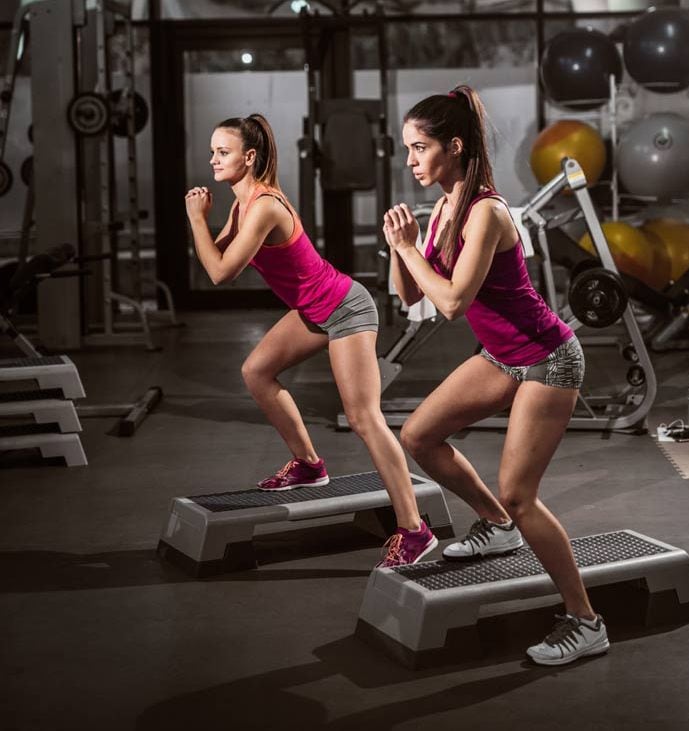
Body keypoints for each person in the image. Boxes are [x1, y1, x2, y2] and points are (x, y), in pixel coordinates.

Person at [382, 86, 609, 665]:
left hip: (548, 358)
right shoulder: (439, 211)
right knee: (418, 436)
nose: (408, 159)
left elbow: (453, 302)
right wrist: (397, 246)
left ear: (453, 147)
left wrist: (411, 251)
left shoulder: (487, 212)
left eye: (418, 147)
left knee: (522, 492)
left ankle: (585, 623)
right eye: (405, 148)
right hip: (502, 357)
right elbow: (409, 295)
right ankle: (495, 524)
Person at [185, 113, 436, 568]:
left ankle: (415, 531)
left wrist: (196, 220)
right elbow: (213, 259)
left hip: (346, 308)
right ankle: (308, 465)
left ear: (250, 156)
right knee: (256, 371)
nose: (213, 160)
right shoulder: (242, 205)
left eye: (223, 152)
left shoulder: (263, 206)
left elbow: (220, 274)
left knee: (363, 418)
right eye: (213, 152)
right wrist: (203, 225)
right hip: (313, 310)